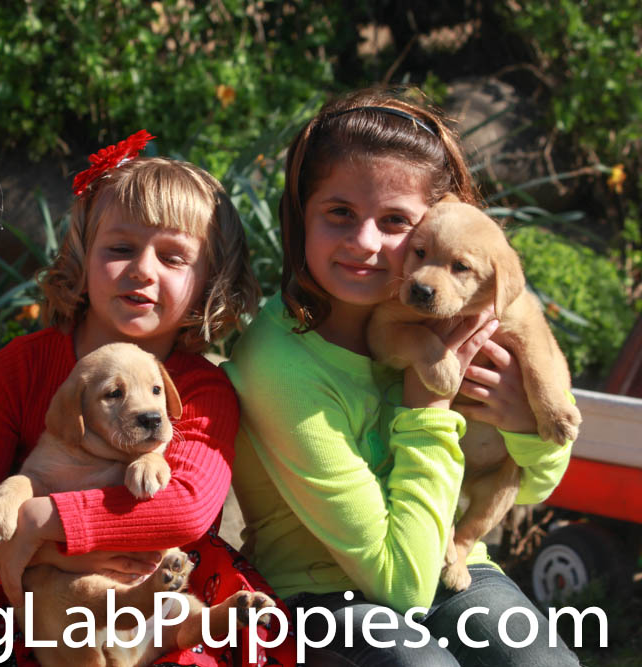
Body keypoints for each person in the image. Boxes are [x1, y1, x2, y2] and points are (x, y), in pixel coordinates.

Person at [223, 88, 579, 666]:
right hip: (321, 592)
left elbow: (535, 487)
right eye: (339, 213)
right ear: (300, 215)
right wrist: (426, 405)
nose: (365, 242)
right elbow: (402, 587)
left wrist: (522, 424)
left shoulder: (454, 313)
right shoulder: (278, 364)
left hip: (452, 562)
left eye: (395, 222)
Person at [0, 131, 288, 666]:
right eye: (121, 249)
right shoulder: (21, 369)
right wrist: (53, 552)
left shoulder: (201, 387)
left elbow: (185, 508)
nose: (143, 270)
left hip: (168, 611)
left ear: (210, 281)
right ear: (81, 255)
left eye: (173, 257)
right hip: (53, 620)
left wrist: (42, 522)